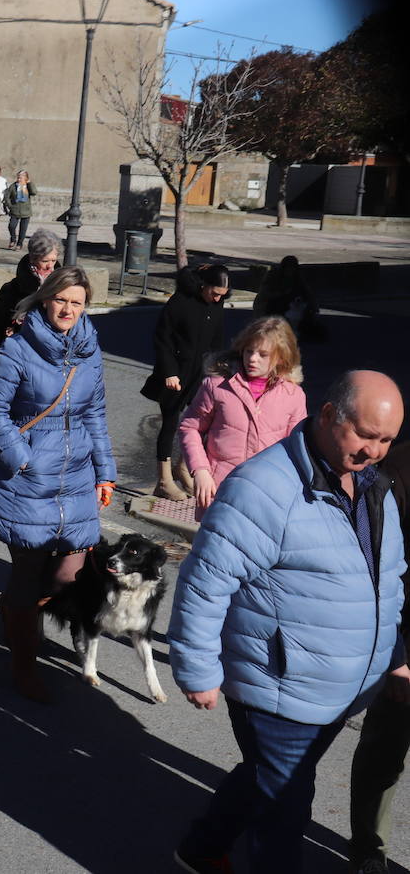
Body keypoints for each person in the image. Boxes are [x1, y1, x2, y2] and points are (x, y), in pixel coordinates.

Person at [169, 371, 406, 874]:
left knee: (267, 776)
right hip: (277, 685)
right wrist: (197, 668)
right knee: (285, 807)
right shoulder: (264, 487)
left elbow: (390, 579)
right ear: (326, 415)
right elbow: (205, 582)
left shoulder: (375, 485)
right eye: (365, 434)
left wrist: (396, 656)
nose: (375, 451)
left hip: (335, 686)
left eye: (387, 440)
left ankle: (200, 849)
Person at [0, 266, 115, 702]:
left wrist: (106, 471)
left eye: (77, 302)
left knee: (68, 576)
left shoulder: (90, 352)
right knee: (28, 576)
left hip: (76, 477)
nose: (68, 309)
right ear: (45, 299)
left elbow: (95, 414)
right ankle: (23, 665)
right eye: (61, 300)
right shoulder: (17, 349)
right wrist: (22, 458)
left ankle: (15, 613)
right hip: (28, 479)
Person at [348, 440, 410, 874]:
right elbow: (376, 565)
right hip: (406, 639)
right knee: (383, 751)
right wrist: (395, 653)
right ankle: (369, 850)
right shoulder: (400, 467)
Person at [178, 316, 307, 521]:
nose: (252, 359)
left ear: (281, 357)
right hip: (219, 489)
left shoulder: (293, 395)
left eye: (263, 354)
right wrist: (201, 470)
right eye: (249, 351)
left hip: (268, 495)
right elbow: (190, 427)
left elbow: (298, 448)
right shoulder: (217, 385)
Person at [143, 264, 230, 501]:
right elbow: (162, 339)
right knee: (170, 424)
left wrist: (219, 371)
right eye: (214, 292)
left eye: (222, 295)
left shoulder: (217, 304)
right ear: (203, 284)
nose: (217, 298)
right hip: (175, 376)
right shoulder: (180, 302)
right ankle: (164, 480)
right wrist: (169, 372)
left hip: (201, 377)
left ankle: (183, 469)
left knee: (200, 425)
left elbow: (217, 341)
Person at [0, 229, 60, 347]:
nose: (50, 266)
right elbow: (1, 323)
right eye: (45, 261)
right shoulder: (12, 289)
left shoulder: (61, 283)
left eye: (53, 260)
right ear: (32, 259)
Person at [254, 254, 323, 342]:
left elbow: (308, 293)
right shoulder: (273, 276)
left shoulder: (298, 278)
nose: (290, 271)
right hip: (272, 305)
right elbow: (264, 294)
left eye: (292, 268)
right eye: (288, 268)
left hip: (291, 305)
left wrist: (313, 306)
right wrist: (281, 293)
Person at [5, 170, 36, 251]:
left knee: (23, 230)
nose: (19, 179)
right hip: (15, 210)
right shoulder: (13, 186)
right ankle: (13, 239)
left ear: (26, 178)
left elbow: (34, 192)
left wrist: (29, 183)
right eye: (18, 177)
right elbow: (7, 196)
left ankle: (19, 244)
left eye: (21, 177)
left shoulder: (28, 186)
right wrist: (10, 206)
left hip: (26, 212)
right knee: (11, 226)